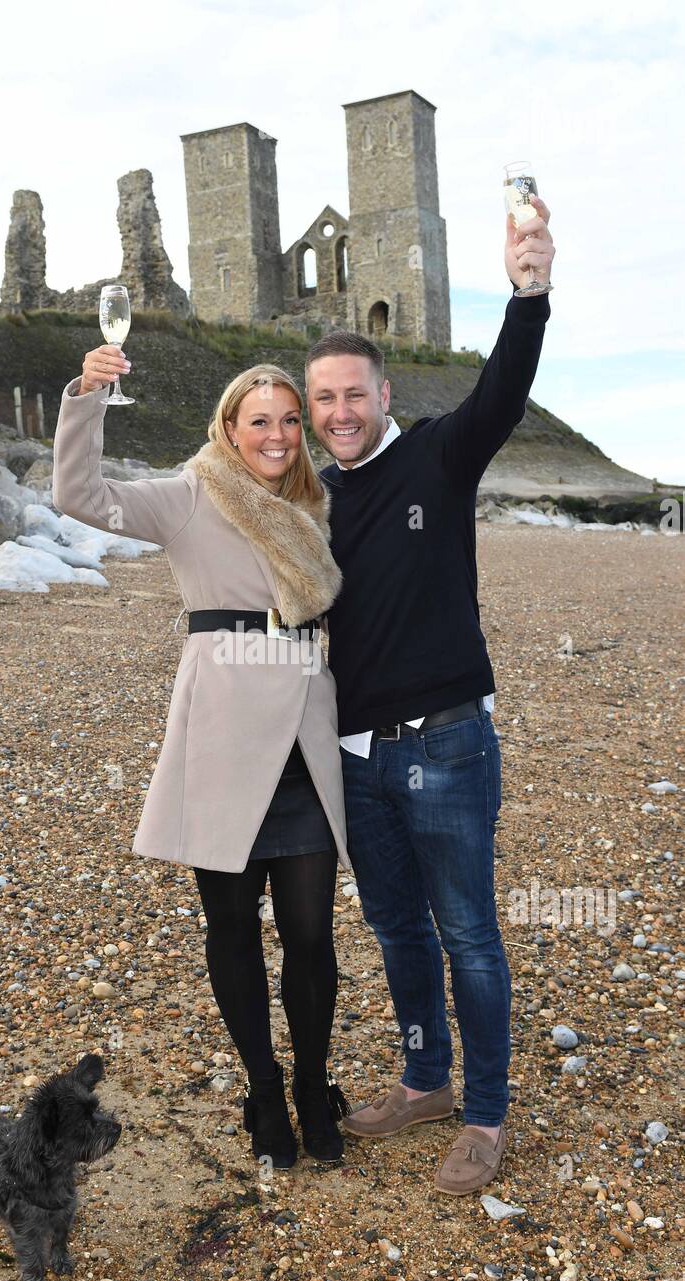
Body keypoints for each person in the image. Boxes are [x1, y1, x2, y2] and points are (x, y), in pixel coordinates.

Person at [302, 196, 556, 1195]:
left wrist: (525, 296)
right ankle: (423, 1078)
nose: (338, 412)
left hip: (448, 745)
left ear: (382, 389)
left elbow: (501, 393)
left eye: (351, 394)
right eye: (322, 399)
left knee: (467, 934)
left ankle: (484, 1111)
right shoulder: (313, 501)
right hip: (357, 758)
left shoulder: (440, 456)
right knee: (397, 932)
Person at [51, 351, 352, 1167]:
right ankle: (263, 1088)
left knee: (311, 935)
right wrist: (90, 395)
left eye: (291, 419)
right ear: (229, 427)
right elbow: (80, 495)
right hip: (222, 739)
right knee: (230, 928)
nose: (279, 434)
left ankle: (313, 1086)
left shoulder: (315, 506)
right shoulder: (191, 495)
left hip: (302, 744)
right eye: (261, 420)